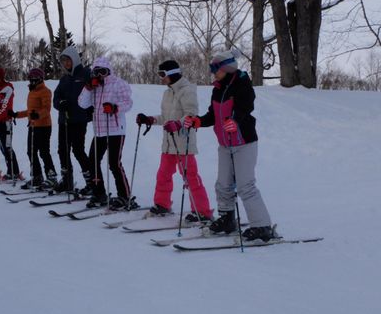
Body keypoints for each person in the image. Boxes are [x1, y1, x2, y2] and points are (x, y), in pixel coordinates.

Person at [183, 48, 276, 242]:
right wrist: (198, 121)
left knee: (245, 185)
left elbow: (246, 105)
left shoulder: (242, 82)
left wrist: (236, 120)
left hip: (244, 142)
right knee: (223, 184)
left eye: (215, 69)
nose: (213, 73)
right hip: (225, 144)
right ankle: (227, 219)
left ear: (226, 67)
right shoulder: (218, 88)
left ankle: (262, 226)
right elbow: (213, 115)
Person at [136, 60, 212, 222]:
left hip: (183, 143)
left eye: (162, 74)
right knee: (163, 174)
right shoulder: (167, 93)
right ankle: (162, 204)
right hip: (168, 143)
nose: (161, 78)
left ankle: (203, 212)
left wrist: (177, 124)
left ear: (172, 73)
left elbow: (191, 114)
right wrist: (149, 119)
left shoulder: (187, 91)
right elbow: (165, 118)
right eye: (159, 74)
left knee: (190, 176)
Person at [78, 56, 134, 210]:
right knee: (93, 162)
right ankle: (99, 193)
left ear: (109, 71)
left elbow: (128, 102)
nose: (100, 75)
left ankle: (124, 196)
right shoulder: (93, 87)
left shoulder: (118, 83)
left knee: (114, 164)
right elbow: (82, 104)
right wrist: (88, 88)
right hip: (100, 131)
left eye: (103, 71)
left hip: (116, 130)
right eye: (96, 72)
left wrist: (115, 107)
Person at [52, 46, 93, 194]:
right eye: (63, 61)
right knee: (62, 150)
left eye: (67, 60)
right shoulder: (64, 79)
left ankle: (92, 182)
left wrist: (90, 111)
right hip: (64, 120)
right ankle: (67, 180)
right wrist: (60, 104)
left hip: (79, 119)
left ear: (74, 59)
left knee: (78, 150)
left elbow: (93, 92)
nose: (65, 64)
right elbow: (56, 98)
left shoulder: (85, 74)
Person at [10, 68, 57, 189]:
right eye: (30, 79)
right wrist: (16, 114)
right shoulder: (31, 92)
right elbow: (30, 112)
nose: (32, 81)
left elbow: (46, 109)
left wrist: (38, 115)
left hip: (44, 126)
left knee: (44, 152)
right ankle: (37, 176)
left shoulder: (45, 91)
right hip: (33, 126)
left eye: (34, 79)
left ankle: (52, 177)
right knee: (31, 152)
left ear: (40, 79)